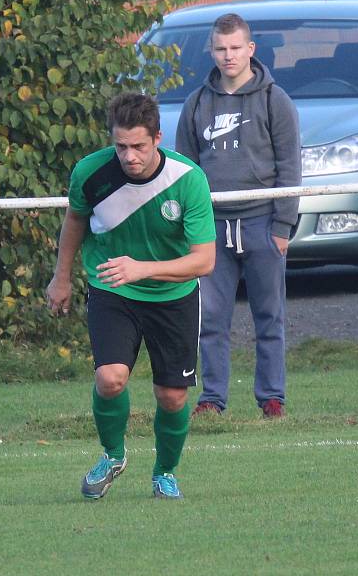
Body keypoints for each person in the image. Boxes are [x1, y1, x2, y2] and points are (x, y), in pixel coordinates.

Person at [46, 92, 215, 500]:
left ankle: (164, 472)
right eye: (121, 146)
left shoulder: (187, 179)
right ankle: (113, 455)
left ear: (157, 138)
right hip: (112, 288)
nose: (129, 156)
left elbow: (204, 260)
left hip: (173, 295)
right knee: (110, 377)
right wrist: (61, 277)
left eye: (138, 146)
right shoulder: (91, 172)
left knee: (172, 396)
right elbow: (74, 221)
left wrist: (144, 268)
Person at [175, 13, 301, 419]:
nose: (228, 56)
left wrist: (282, 227)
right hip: (211, 227)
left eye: (235, 48)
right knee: (210, 319)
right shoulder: (196, 103)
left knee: (270, 317)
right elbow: (185, 171)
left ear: (251, 50)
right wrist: (188, 230)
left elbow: (290, 167)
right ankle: (212, 398)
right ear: (211, 52)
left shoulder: (274, 100)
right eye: (220, 49)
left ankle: (272, 397)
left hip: (263, 223)